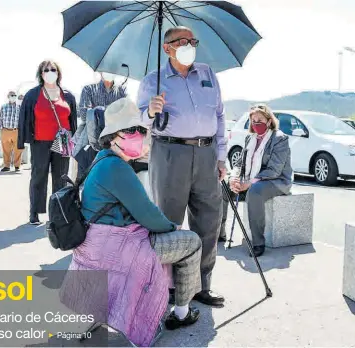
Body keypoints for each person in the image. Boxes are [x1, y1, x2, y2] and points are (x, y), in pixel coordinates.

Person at [65, 98, 203, 341]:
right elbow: (148, 214)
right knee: (191, 242)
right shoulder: (117, 168)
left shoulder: (103, 160)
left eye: (139, 129)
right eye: (129, 130)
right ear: (113, 136)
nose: (137, 134)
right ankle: (181, 313)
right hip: (116, 249)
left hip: (95, 246)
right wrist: (172, 227)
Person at [137, 25, 226, 308]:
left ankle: (200, 285)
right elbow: (140, 123)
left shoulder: (208, 74)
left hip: (206, 153)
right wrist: (150, 111)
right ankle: (170, 286)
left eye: (192, 40)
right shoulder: (153, 80)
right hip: (170, 153)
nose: (189, 44)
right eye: (182, 41)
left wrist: (221, 157)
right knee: (168, 223)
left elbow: (220, 116)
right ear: (167, 48)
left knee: (209, 221)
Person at [18, 60, 77, 225]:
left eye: (53, 69)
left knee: (61, 177)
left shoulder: (68, 95)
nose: (50, 72)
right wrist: (22, 142)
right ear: (41, 74)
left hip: (63, 141)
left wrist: (75, 142)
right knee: (39, 176)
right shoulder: (33, 94)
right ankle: (34, 212)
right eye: (46, 70)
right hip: (40, 141)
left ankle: (58, 212)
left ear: (58, 73)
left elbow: (73, 122)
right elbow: (24, 119)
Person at [228, 104, 292, 257]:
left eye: (260, 120)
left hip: (276, 181)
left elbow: (275, 170)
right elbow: (239, 164)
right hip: (251, 180)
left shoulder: (279, 139)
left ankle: (258, 243)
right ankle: (219, 233)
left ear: (269, 121)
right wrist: (233, 178)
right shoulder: (250, 138)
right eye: (253, 120)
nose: (256, 123)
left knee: (255, 192)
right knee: (222, 186)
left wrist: (249, 183)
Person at [73, 72, 127, 176]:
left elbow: (126, 114)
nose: (109, 71)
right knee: (85, 179)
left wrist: (98, 111)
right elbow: (85, 115)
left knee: (109, 178)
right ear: (100, 71)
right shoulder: (88, 89)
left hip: (114, 144)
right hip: (90, 141)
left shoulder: (122, 91)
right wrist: (113, 111)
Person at [0, 91, 22, 172]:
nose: (13, 97)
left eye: (15, 95)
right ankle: (6, 166)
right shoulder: (3, 107)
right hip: (5, 130)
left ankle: (17, 166)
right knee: (6, 150)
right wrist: (1, 129)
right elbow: (0, 118)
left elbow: (22, 120)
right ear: (8, 96)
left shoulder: (19, 107)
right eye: (12, 95)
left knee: (18, 149)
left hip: (16, 130)